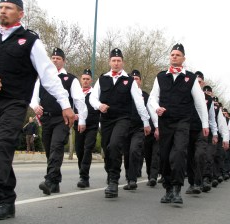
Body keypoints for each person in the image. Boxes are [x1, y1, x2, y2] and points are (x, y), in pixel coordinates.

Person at [0, 0, 75, 222]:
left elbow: (48, 76)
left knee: (4, 145)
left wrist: (65, 104)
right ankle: (7, 200)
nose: (3, 11)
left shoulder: (30, 41)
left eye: (8, 7)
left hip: (15, 103)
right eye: (0, 7)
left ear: (20, 14)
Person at [149, 43, 209, 204]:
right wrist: (157, 108)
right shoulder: (161, 76)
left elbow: (200, 102)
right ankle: (168, 189)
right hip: (165, 122)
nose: (174, 57)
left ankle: (177, 189)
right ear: (169, 57)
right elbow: (152, 98)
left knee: (179, 153)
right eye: (172, 54)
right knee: (165, 155)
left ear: (183, 58)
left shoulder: (190, 78)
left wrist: (205, 124)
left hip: (183, 122)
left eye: (177, 55)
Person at [89, 48, 151, 198]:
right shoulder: (102, 79)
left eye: (118, 61)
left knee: (115, 145)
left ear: (122, 62)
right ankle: (110, 173)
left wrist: (146, 122)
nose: (116, 63)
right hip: (106, 120)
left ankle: (113, 182)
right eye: (113, 60)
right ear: (109, 62)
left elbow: (139, 102)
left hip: (123, 119)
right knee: (107, 149)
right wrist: (99, 106)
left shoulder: (129, 81)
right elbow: (92, 98)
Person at [30, 47, 87, 195]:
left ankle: (49, 180)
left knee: (56, 147)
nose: (55, 60)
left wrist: (82, 119)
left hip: (62, 119)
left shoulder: (71, 79)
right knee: (49, 150)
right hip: (46, 119)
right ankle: (55, 182)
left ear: (63, 61)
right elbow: (33, 97)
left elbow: (79, 99)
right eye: (53, 58)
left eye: (58, 58)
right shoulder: (42, 78)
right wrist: (35, 106)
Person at [123, 69, 149, 190]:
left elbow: (150, 111)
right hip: (125, 126)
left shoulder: (145, 95)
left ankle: (133, 179)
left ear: (140, 81)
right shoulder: (125, 94)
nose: (134, 81)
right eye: (132, 79)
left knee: (134, 150)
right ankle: (129, 177)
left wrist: (148, 124)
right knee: (127, 153)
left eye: (136, 79)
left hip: (138, 128)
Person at [75, 69, 100, 189]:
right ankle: (83, 175)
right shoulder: (76, 93)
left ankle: (84, 176)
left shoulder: (95, 93)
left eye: (87, 79)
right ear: (81, 80)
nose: (85, 81)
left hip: (92, 126)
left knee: (87, 148)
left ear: (91, 80)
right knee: (79, 151)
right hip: (78, 126)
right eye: (83, 79)